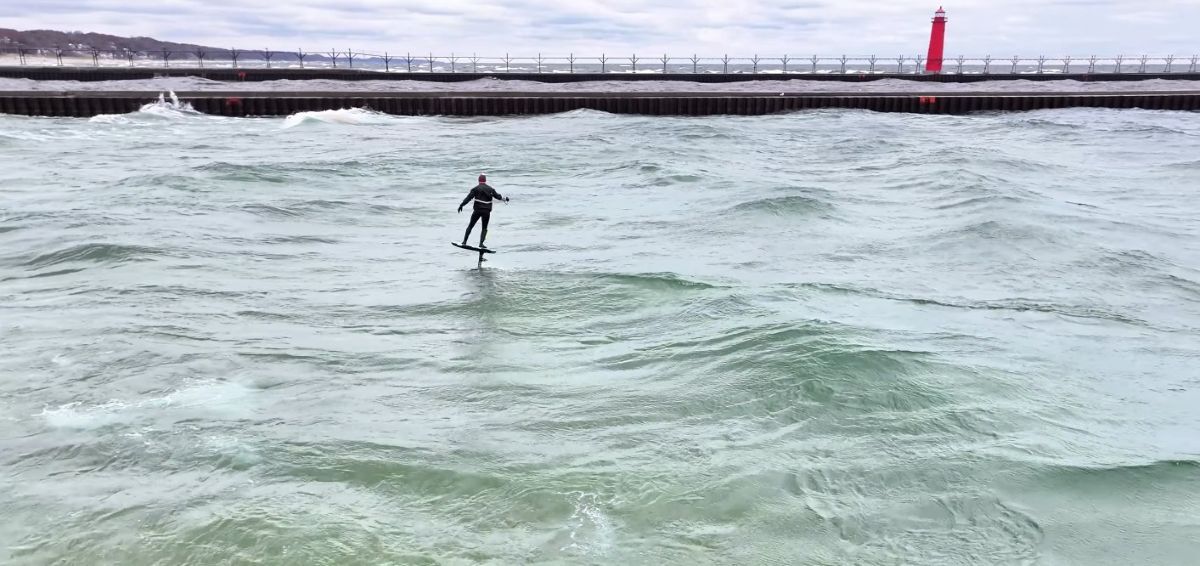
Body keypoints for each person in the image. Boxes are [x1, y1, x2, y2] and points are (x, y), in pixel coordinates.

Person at [458, 174, 508, 248]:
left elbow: (468, 198)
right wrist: (505, 199)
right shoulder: (491, 189)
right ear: (485, 180)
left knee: (470, 226)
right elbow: (498, 197)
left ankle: (464, 242)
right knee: (484, 228)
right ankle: (481, 244)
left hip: (477, 210)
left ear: (479, 181)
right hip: (486, 212)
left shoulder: (475, 189)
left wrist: (461, 205)